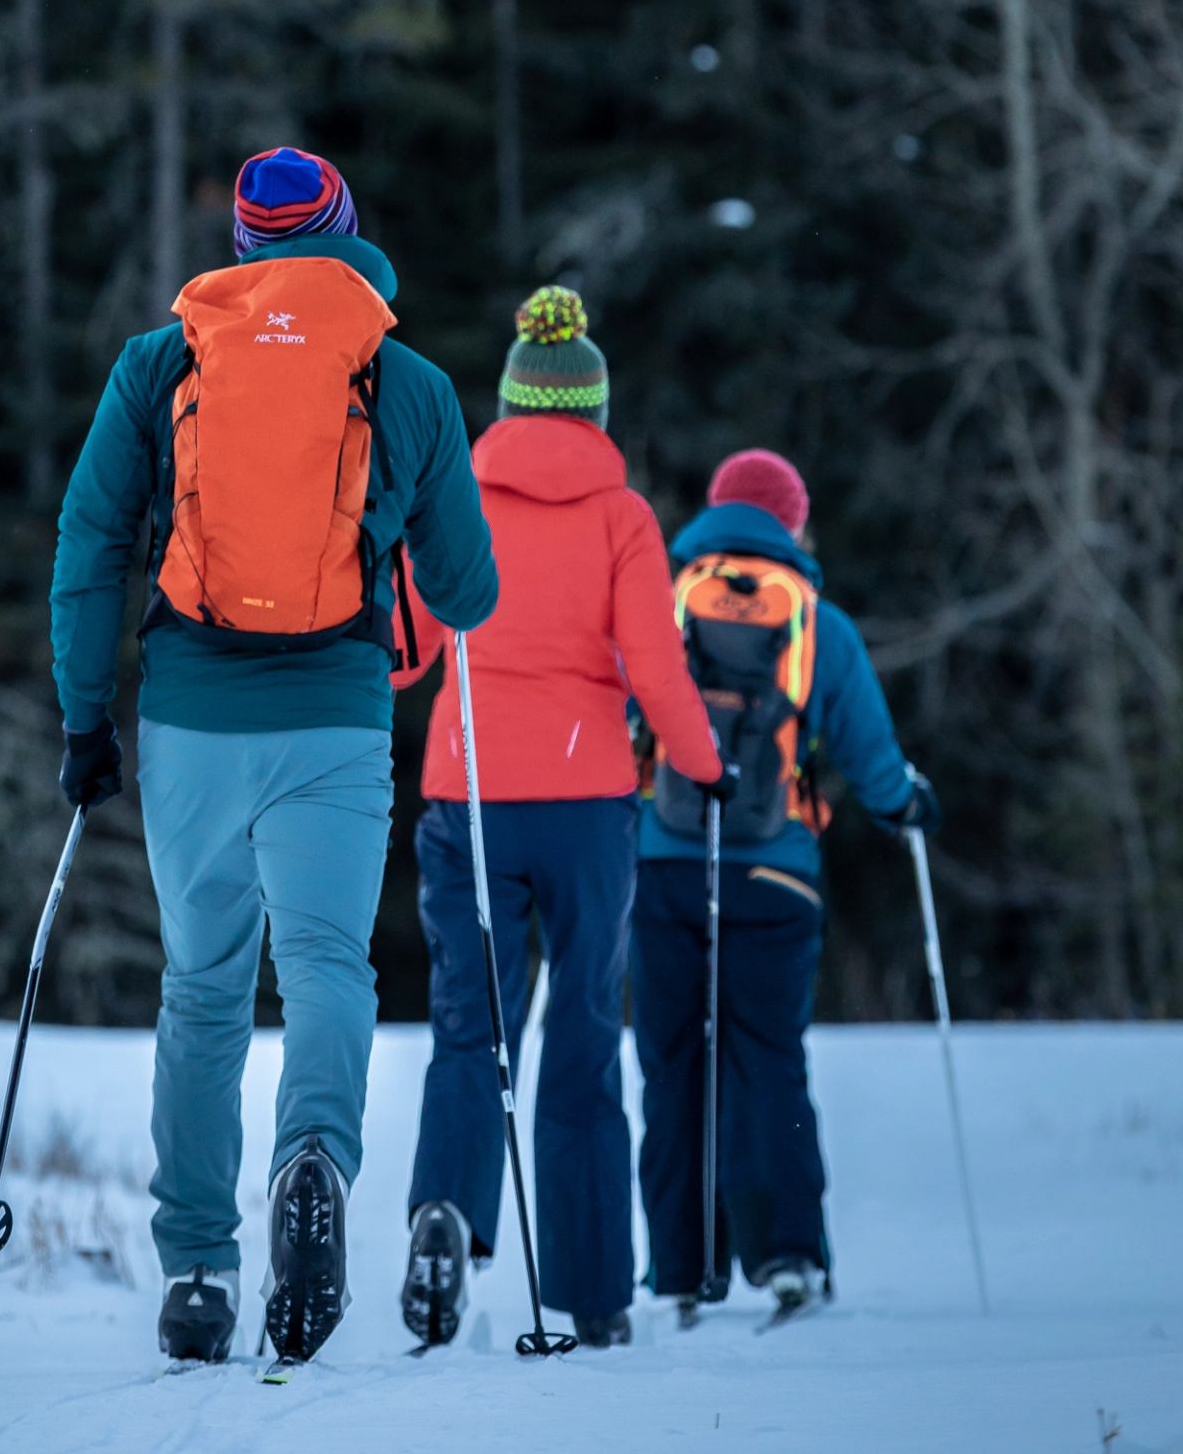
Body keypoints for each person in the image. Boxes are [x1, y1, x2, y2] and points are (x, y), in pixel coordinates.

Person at [49, 145, 498, 1369]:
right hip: (337, 723)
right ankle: (316, 1158)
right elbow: (468, 589)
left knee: (201, 989)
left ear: (243, 249)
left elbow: (92, 537)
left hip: (190, 717)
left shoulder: (161, 364)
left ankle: (197, 1267)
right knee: (327, 969)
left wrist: (87, 717)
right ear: (347, 232)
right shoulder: (405, 380)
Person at [395, 288, 722, 1351]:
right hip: (587, 808)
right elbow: (655, 664)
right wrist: (702, 764)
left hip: (471, 791)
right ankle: (593, 1292)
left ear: (507, 403)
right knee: (582, 1039)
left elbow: (410, 649)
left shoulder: (460, 496)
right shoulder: (624, 517)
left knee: (467, 1029)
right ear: (595, 411)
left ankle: (446, 1215)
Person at [631, 447, 938, 1326]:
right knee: (770, 1059)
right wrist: (909, 806)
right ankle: (790, 1253)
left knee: (673, 1067)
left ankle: (684, 1268)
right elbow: (875, 764)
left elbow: (624, 723)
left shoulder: (664, 604)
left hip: (665, 867)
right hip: (777, 872)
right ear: (793, 523)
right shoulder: (818, 622)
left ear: (714, 513)